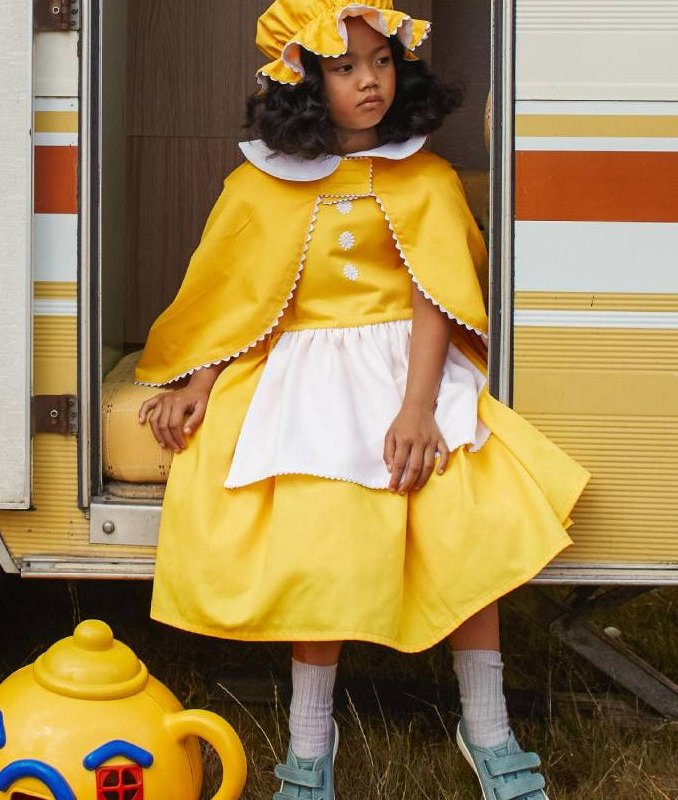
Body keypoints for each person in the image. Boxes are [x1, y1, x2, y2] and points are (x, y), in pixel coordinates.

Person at [135, 2, 589, 798]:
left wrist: (417, 409)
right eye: (345, 68)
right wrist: (199, 379)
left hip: (407, 364)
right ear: (309, 83)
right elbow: (244, 299)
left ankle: (487, 728)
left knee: (460, 511)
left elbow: (436, 298)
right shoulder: (257, 186)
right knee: (320, 528)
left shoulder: (426, 177)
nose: (369, 81)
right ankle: (312, 750)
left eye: (380, 62)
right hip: (302, 372)